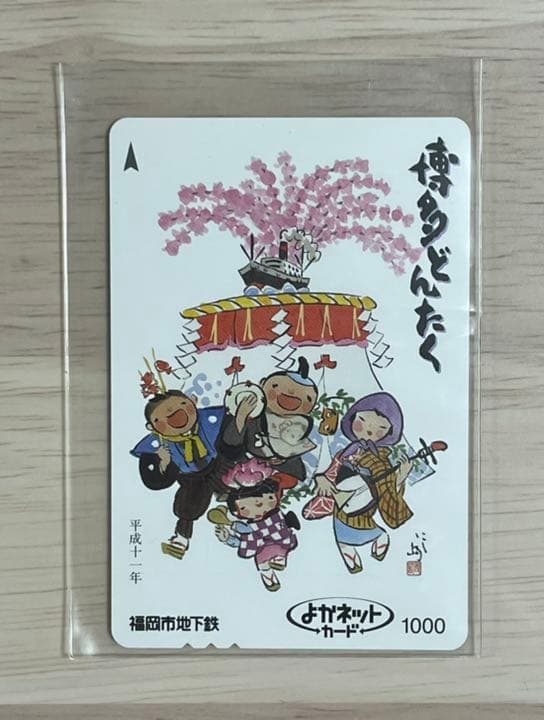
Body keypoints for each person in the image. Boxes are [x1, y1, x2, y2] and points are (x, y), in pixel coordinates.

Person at [314, 392, 414, 574]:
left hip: (364, 509)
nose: (369, 429)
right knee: (342, 538)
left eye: (380, 427)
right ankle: (350, 556)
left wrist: (400, 478)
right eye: (362, 420)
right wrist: (322, 479)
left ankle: (378, 542)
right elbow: (330, 472)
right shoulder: (346, 452)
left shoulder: (381, 460)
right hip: (342, 505)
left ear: (388, 433)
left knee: (375, 533)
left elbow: (386, 488)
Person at [131, 390, 228, 559]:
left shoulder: (208, 419)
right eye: (160, 418)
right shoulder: (156, 445)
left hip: (217, 464)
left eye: (183, 404)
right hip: (190, 477)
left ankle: (231, 514)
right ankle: (181, 537)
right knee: (188, 505)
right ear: (151, 427)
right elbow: (153, 481)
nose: (173, 413)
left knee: (235, 483)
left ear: (193, 402)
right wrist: (164, 463)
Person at [218, 357, 318, 486]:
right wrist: (241, 416)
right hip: (245, 472)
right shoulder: (253, 415)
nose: (291, 394)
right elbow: (230, 448)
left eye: (308, 399)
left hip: (283, 477)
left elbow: (295, 452)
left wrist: (283, 459)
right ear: (262, 384)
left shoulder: (300, 424)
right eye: (276, 386)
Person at [210, 460, 299, 592]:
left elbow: (290, 480)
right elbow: (247, 540)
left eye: (268, 499)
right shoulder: (248, 527)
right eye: (246, 506)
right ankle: (269, 576)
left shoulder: (274, 515)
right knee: (262, 558)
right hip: (262, 547)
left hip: (280, 540)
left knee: (277, 545)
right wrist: (228, 538)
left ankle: (277, 561)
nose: (258, 504)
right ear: (237, 511)